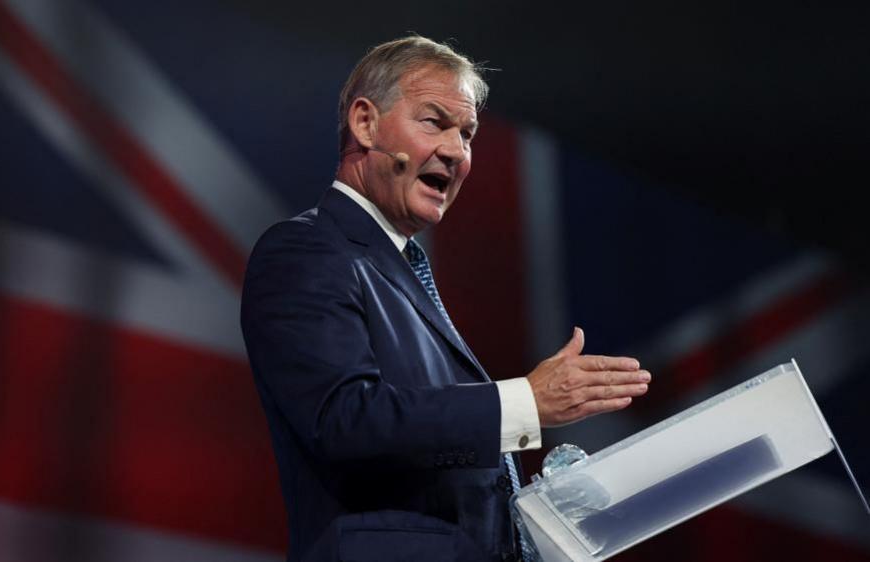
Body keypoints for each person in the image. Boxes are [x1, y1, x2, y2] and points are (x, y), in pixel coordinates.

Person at [240, 36, 651, 562]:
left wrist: (532, 520)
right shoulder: (306, 249)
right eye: (434, 122)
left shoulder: (400, 268)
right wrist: (525, 401)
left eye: (468, 134)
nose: (457, 151)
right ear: (365, 124)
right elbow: (344, 420)